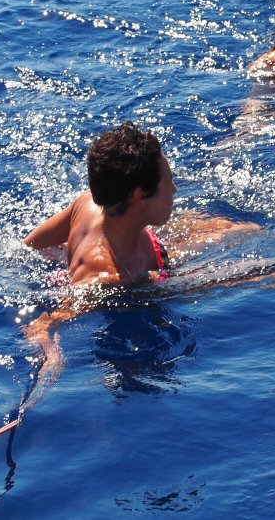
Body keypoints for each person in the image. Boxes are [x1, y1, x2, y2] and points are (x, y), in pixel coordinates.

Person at [21, 122, 259, 378]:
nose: (175, 189)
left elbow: (29, 245)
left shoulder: (87, 202)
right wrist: (51, 355)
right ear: (139, 196)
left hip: (145, 240)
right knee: (244, 237)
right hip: (143, 264)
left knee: (246, 229)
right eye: (169, 181)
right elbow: (41, 325)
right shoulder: (108, 278)